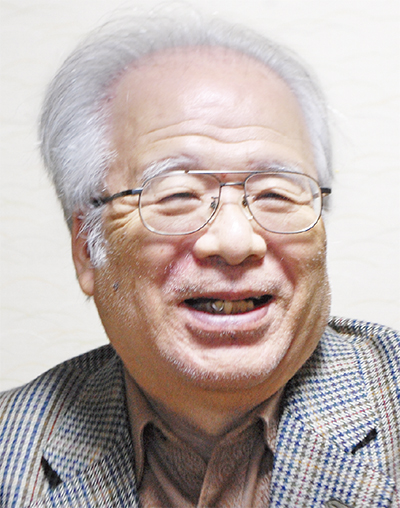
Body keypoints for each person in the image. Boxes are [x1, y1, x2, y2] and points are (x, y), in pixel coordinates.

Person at [0, 13, 398, 508]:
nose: (235, 241)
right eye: (177, 195)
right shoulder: (10, 454)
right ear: (86, 248)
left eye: (276, 193)